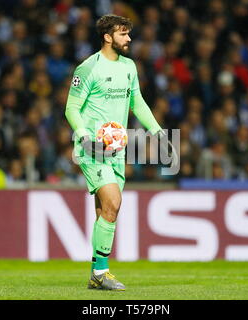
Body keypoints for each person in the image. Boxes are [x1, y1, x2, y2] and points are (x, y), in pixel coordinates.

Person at [65, 14, 176, 291]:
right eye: (123, 34)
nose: (128, 39)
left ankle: (95, 274)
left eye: (128, 34)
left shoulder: (129, 67)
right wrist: (85, 137)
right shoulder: (88, 68)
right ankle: (102, 272)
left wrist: (158, 133)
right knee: (113, 204)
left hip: (117, 150)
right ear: (107, 36)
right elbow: (71, 109)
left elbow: (137, 103)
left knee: (105, 210)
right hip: (93, 148)